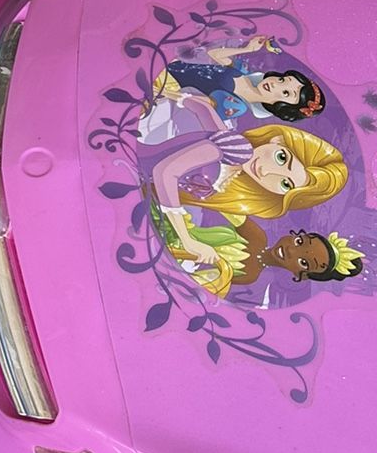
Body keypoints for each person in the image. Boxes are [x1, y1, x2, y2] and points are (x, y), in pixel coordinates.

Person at [138, 95, 350, 297]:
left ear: (299, 275)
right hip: (137, 174)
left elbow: (224, 209)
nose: (292, 251)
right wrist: (187, 239)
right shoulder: (233, 150)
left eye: (285, 184)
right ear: (277, 140)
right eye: (281, 157)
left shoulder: (250, 275)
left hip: (153, 225)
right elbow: (166, 172)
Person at [156, 34, 324, 126]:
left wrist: (162, 91)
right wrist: (249, 48)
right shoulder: (243, 72)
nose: (275, 83)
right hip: (171, 65)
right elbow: (214, 55)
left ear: (283, 108)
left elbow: (196, 104)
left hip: (168, 84)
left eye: (286, 92)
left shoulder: (237, 106)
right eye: (282, 80)